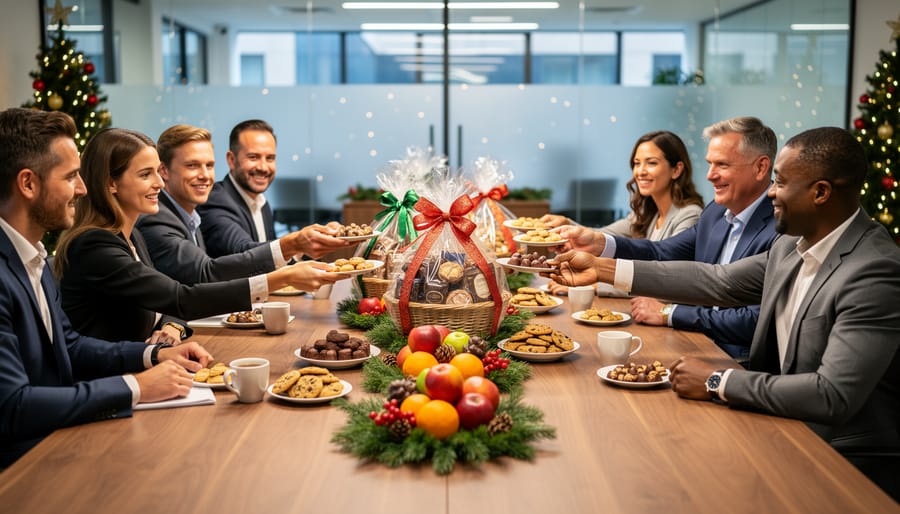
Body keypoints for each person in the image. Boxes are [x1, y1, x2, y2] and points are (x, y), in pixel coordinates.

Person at [549, 126, 900, 498]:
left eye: (780, 182)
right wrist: (602, 269)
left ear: (821, 193)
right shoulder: (791, 246)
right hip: (783, 421)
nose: (772, 193)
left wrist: (719, 382)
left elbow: (830, 395)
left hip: (844, 457)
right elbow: (717, 281)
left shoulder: (874, 270)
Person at [0, 108, 214, 468]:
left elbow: (70, 345)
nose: (83, 188)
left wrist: (154, 356)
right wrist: (137, 387)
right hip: (25, 468)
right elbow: (12, 406)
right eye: (71, 177)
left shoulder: (32, 255)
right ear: (28, 184)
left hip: (63, 439)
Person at [53, 128, 343, 343]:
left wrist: (172, 327)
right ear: (110, 183)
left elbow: (168, 299)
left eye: (157, 172)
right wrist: (284, 276)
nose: (158, 182)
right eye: (146, 174)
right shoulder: (96, 245)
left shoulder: (130, 236)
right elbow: (183, 296)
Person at [557, 116, 778, 360]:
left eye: (722, 165)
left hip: (738, 362)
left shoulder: (783, 227)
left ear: (760, 167)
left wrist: (670, 313)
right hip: (695, 343)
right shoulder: (715, 213)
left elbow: (755, 320)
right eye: (709, 164)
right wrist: (601, 244)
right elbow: (660, 253)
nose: (710, 175)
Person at [136, 124, 348, 285]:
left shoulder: (193, 215)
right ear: (164, 171)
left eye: (209, 165)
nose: (204, 175)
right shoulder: (163, 216)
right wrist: (293, 244)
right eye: (192, 165)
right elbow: (214, 267)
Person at [540, 130, 705, 295]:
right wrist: (567, 225)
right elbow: (602, 237)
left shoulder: (690, 215)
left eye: (651, 163)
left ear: (676, 169)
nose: (640, 171)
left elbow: (670, 280)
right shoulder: (647, 213)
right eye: (637, 163)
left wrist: (594, 286)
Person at [197, 119, 304, 258]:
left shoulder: (262, 203)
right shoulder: (214, 200)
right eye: (253, 157)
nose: (263, 167)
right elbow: (243, 252)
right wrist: (296, 243)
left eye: (270, 158)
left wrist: (314, 243)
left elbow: (270, 262)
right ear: (231, 160)